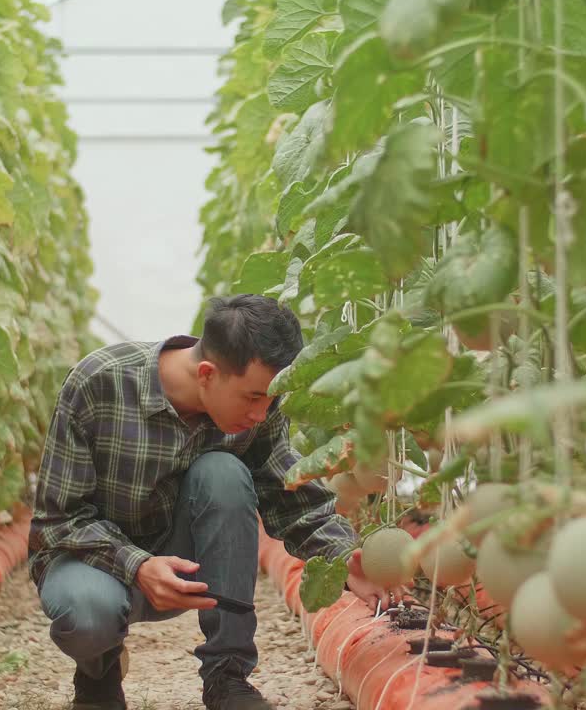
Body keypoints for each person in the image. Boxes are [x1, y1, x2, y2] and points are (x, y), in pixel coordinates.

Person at [28, 295, 393, 710]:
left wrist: (344, 556)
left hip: (181, 565)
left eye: (271, 400)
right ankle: (98, 674)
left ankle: (227, 676)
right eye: (253, 397)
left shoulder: (258, 407)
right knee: (90, 614)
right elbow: (58, 520)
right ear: (207, 373)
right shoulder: (98, 382)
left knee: (224, 472)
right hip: (88, 561)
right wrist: (138, 565)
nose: (262, 413)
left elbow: (287, 493)